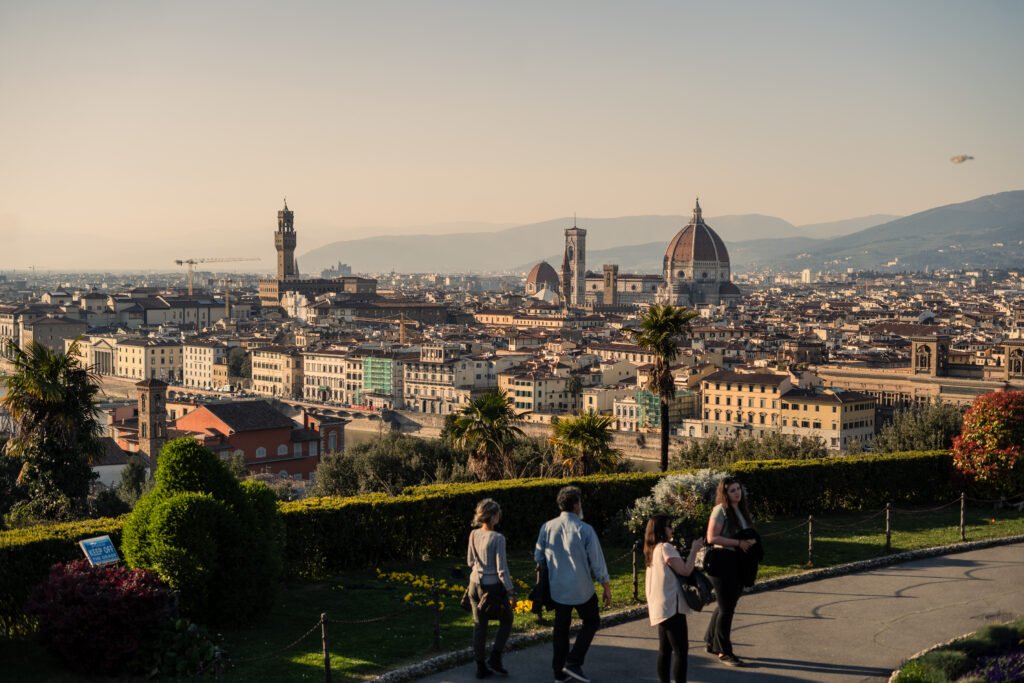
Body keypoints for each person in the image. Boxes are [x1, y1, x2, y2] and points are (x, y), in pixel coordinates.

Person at [535, 486, 612, 683]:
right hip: (582, 587)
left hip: (558, 588)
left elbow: (539, 556)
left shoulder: (546, 527)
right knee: (592, 621)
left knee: (560, 629)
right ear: (576, 504)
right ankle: (574, 661)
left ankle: (558, 671)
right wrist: (605, 586)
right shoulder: (585, 529)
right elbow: (597, 561)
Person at [704, 476, 756, 667]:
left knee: (725, 604)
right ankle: (724, 651)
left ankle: (711, 640)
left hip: (736, 562)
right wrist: (739, 543)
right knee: (727, 608)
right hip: (722, 562)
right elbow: (711, 537)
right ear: (725, 493)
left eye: (738, 489)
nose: (737, 493)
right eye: (732, 490)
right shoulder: (721, 510)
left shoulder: (739, 510)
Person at [644, 515, 704, 683]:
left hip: (660, 605)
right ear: (661, 530)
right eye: (669, 526)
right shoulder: (665, 547)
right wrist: (694, 550)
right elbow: (685, 570)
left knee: (665, 649)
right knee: (680, 651)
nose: (672, 529)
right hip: (672, 606)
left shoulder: (652, 549)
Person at [467, 498, 514, 679]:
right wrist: (510, 591)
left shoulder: (473, 534)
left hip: (474, 583)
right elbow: (501, 569)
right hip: (492, 586)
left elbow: (470, 561)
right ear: (493, 516)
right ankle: (495, 657)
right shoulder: (498, 538)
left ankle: (480, 666)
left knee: (480, 625)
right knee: (507, 619)